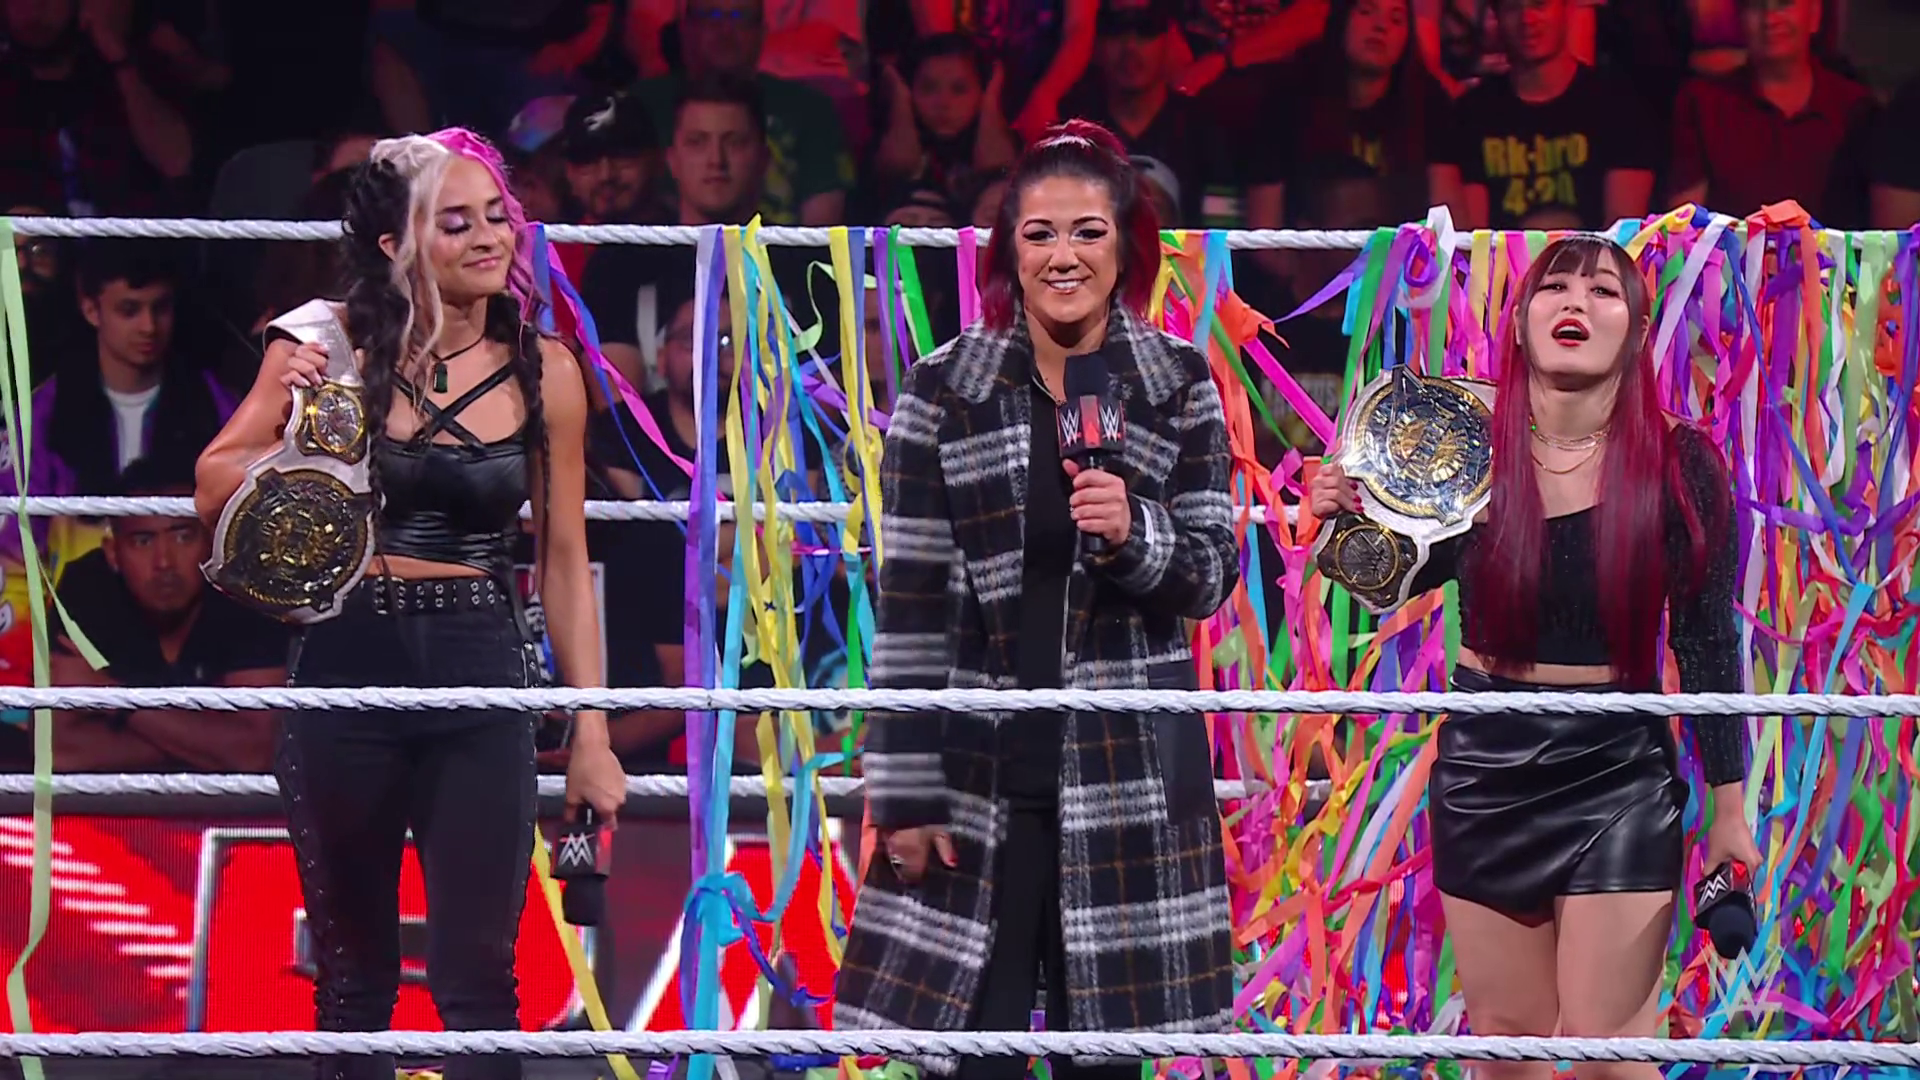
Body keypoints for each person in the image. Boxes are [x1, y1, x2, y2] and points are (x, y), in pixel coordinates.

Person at [194, 128, 628, 1080]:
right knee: (354, 984)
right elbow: (211, 486)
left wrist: (591, 732)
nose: (491, 238)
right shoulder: (321, 342)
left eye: (497, 217)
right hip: (346, 659)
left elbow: (562, 558)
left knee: (480, 983)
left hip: (480, 668)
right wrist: (290, 439)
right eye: (456, 223)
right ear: (395, 246)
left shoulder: (547, 368)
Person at [834, 120, 1239, 1079]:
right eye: (1040, 233)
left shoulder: (1178, 383)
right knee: (975, 1056)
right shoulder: (944, 389)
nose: (1064, 256)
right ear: (1008, 251)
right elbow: (912, 602)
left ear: (1125, 248)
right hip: (981, 778)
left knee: (1107, 1063)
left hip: (1128, 776)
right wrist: (903, 790)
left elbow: (1212, 573)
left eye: (1088, 233)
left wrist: (1134, 531)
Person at [1308, 234, 1762, 1080]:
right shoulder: (1466, 449)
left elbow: (1706, 642)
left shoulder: (1682, 464)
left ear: (1638, 329)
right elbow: (1387, 582)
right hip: (1487, 763)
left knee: (1606, 1056)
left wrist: (1730, 812)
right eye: (1554, 288)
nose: (1575, 303)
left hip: (1618, 769)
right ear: (1519, 322)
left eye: (1603, 291)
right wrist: (1345, 518)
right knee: (1509, 1050)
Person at [51, 456, 288, 773]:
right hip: (120, 804)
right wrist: (206, 744)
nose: (163, 562)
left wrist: (111, 695)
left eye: (182, 536)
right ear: (113, 553)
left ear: (210, 540)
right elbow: (59, 751)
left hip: (232, 805)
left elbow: (257, 752)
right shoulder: (86, 589)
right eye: (143, 541)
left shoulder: (246, 587)